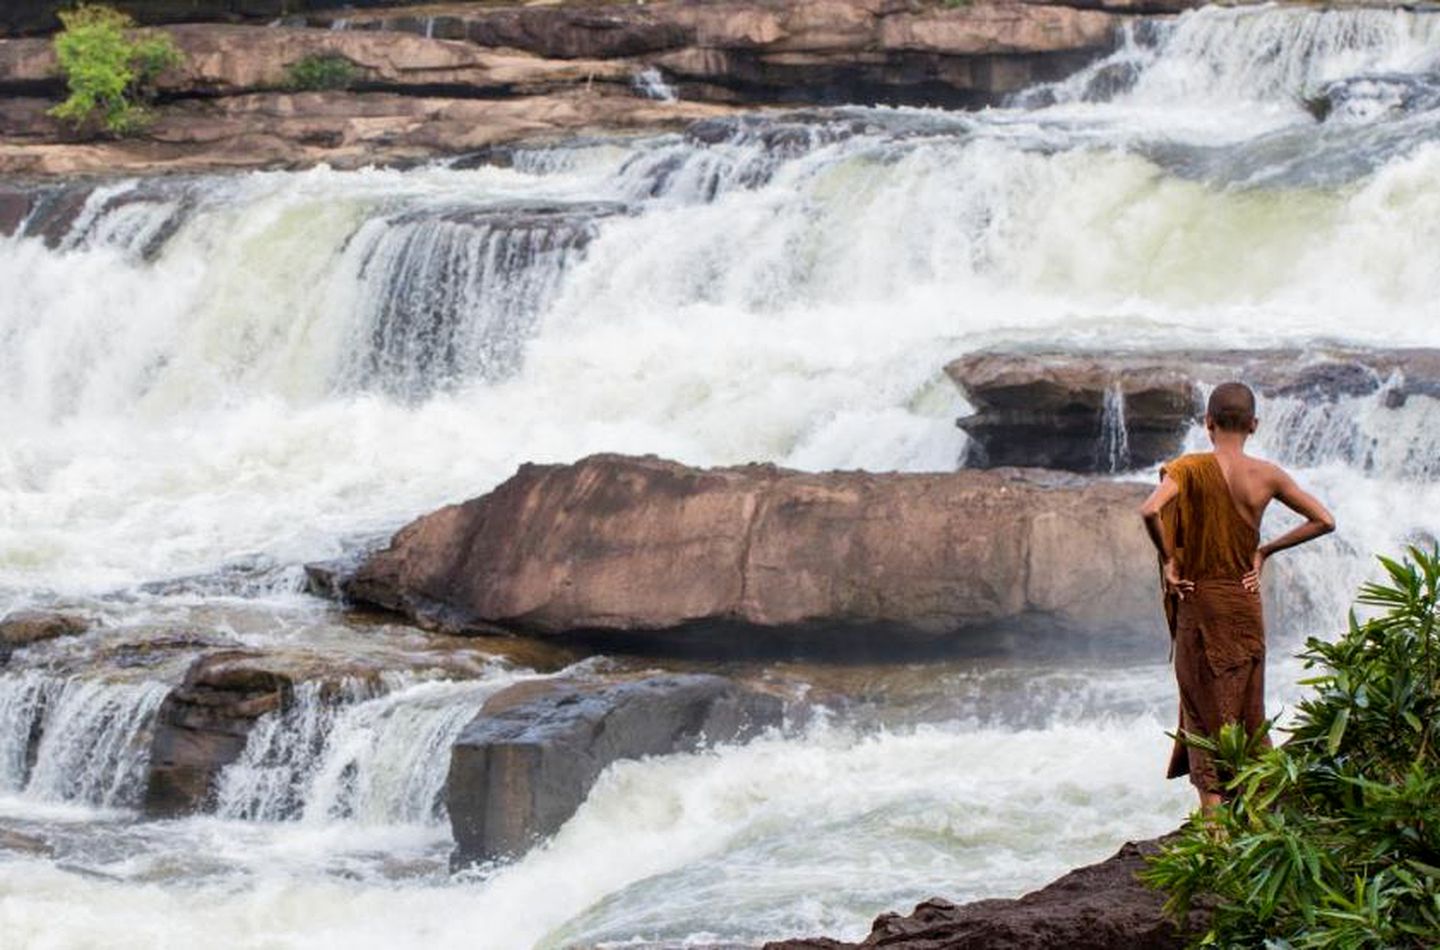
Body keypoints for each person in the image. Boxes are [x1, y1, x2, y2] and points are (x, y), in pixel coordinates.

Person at [1139, 382, 1335, 810]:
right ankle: (1256, 814)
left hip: (1200, 603)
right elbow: (1324, 520)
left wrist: (1170, 560)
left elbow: (1150, 510)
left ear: (1207, 424)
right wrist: (1265, 551)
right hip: (1243, 605)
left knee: (1200, 710)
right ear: (1254, 425)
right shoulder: (1268, 475)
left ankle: (1212, 823)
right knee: (1247, 708)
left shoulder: (1187, 469)